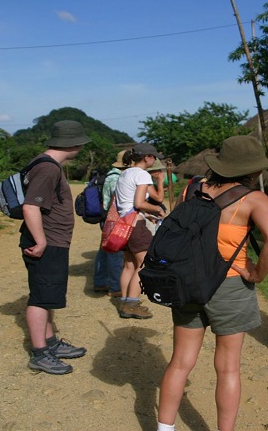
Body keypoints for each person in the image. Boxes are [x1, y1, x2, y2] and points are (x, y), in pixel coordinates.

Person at [157, 135, 268, 431]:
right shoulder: (254, 198)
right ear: (252, 170)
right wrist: (256, 274)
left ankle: (164, 428)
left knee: (180, 362)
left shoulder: (193, 189)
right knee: (227, 367)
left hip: (188, 282)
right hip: (229, 285)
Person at [20, 120, 91, 374]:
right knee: (41, 297)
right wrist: (41, 241)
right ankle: (40, 353)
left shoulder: (43, 163)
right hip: (47, 242)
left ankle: (50, 343)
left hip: (51, 241)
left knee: (48, 294)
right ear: (73, 144)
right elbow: (31, 206)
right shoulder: (49, 169)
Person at [114, 143, 166, 319]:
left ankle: (124, 300)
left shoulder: (126, 173)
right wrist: (156, 210)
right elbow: (139, 203)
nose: (156, 160)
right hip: (137, 225)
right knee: (144, 264)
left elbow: (157, 197)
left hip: (124, 224)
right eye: (154, 157)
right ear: (147, 158)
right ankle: (132, 303)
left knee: (129, 264)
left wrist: (159, 180)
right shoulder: (142, 175)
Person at [93, 150, 128, 296]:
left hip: (106, 218)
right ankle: (115, 286)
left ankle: (100, 282)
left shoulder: (109, 176)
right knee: (116, 252)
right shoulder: (116, 179)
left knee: (105, 250)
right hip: (114, 219)